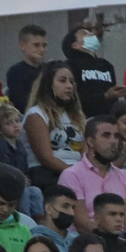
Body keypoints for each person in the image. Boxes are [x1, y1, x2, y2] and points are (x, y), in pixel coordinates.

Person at [58, 116, 126, 247]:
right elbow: (82, 223)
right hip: (84, 243)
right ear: (90, 142)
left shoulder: (124, 177)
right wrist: (112, 244)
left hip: (119, 242)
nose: (114, 141)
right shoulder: (72, 175)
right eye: (106, 135)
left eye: (116, 136)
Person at [20, 61, 87, 190]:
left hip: (76, 172)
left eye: (71, 82)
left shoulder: (76, 117)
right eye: (62, 81)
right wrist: (75, 175)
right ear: (48, 84)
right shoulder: (36, 115)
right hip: (46, 173)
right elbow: (46, 158)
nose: (69, 86)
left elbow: (85, 154)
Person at [63, 25, 124, 120]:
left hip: (108, 118)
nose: (92, 34)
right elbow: (73, 98)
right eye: (85, 34)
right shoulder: (70, 65)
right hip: (83, 119)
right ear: (75, 45)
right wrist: (104, 96)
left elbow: (113, 97)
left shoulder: (106, 65)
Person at [5, 24, 47, 112]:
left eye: (44, 45)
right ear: (22, 46)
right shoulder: (15, 72)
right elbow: (20, 104)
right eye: (36, 45)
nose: (42, 49)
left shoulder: (49, 70)